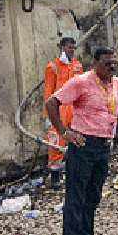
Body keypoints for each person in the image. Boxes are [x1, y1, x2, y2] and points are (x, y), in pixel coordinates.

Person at [44, 46, 118, 235]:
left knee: (93, 196)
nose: (112, 66)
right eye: (107, 62)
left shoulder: (117, 83)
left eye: (114, 62)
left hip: (103, 146)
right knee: (76, 198)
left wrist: (114, 136)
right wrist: (64, 131)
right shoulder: (81, 81)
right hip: (83, 145)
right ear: (95, 63)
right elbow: (52, 102)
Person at [43, 37, 84, 186]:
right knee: (56, 142)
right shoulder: (53, 67)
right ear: (62, 48)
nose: (72, 50)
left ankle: (74, 173)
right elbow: (49, 92)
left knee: (76, 139)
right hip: (58, 109)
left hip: (74, 108)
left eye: (73, 47)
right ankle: (55, 177)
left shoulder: (77, 66)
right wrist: (48, 114)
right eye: (69, 47)